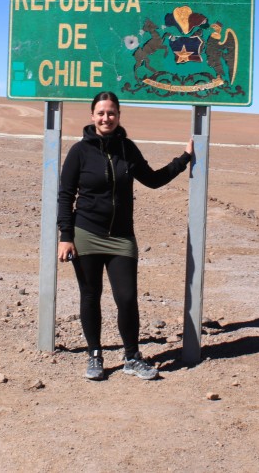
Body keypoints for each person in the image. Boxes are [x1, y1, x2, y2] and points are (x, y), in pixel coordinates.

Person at [57, 91, 193, 380]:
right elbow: (65, 195)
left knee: (127, 298)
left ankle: (132, 356)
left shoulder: (127, 149)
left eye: (112, 113)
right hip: (86, 233)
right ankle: (95, 355)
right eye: (101, 113)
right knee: (90, 295)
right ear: (92, 116)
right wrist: (66, 236)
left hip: (121, 237)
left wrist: (184, 159)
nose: (106, 118)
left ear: (118, 116)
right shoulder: (79, 152)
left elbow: (153, 180)